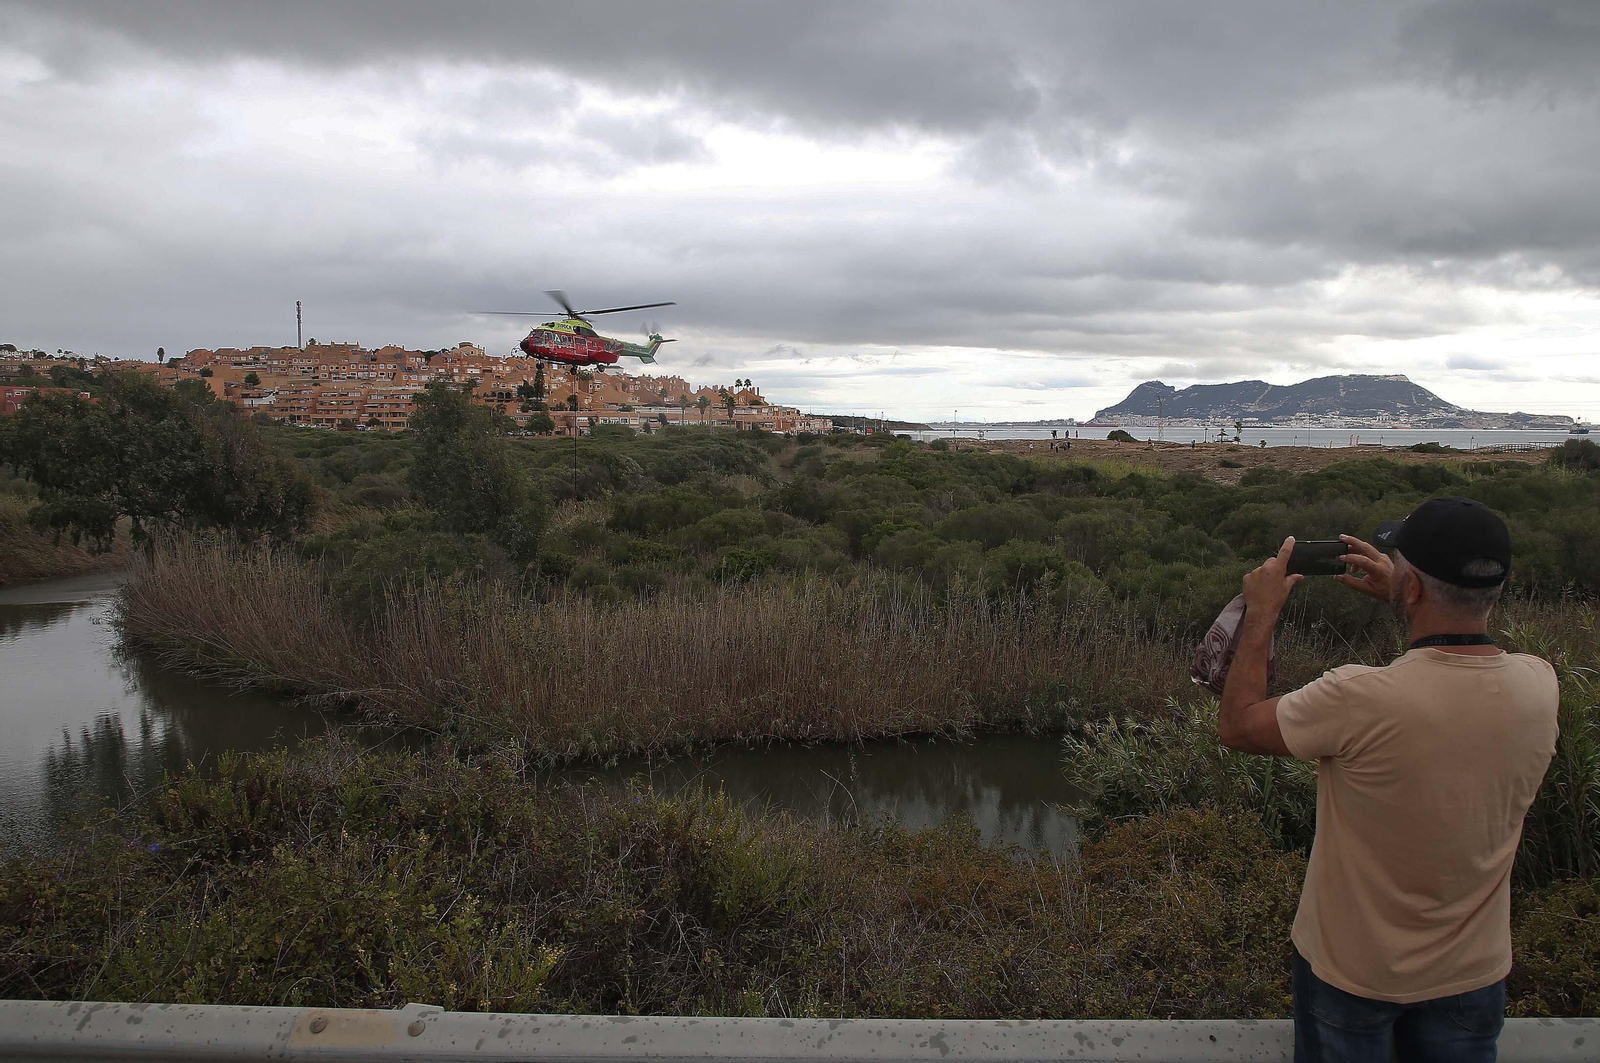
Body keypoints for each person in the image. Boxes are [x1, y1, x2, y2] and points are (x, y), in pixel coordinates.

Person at [1217, 497, 1558, 1062]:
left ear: (1416, 588)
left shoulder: (1357, 698)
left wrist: (1260, 615)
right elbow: (1463, 663)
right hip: (1473, 977)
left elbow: (1238, 726)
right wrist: (1410, 598)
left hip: (1352, 975)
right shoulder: (1539, 686)